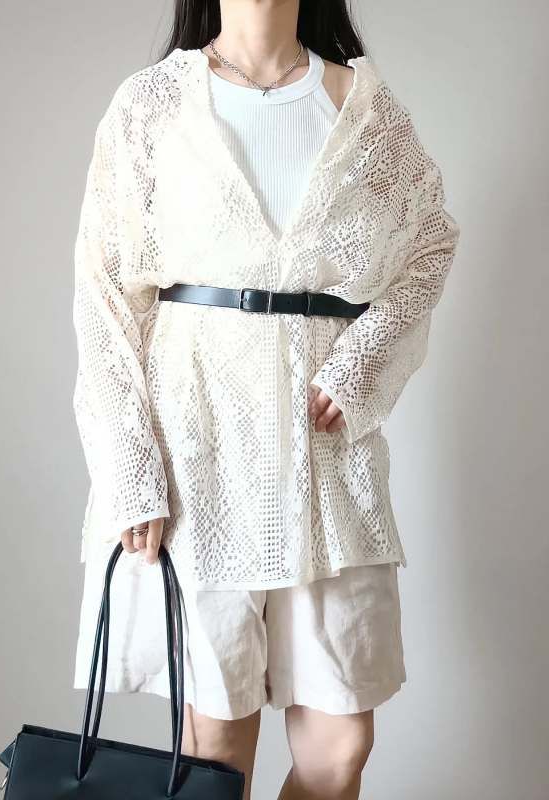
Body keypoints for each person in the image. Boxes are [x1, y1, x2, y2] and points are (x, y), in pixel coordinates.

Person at [71, 2, 461, 799]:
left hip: (325, 465)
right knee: (216, 745)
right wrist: (129, 469)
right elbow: (104, 296)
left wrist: (360, 364)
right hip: (197, 458)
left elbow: (430, 247)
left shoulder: (363, 107)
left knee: (339, 745)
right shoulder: (152, 104)